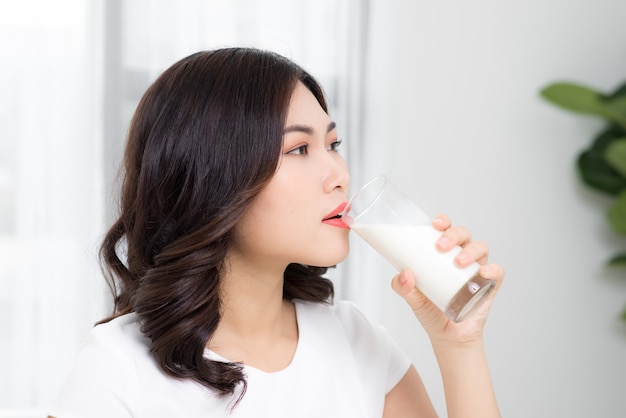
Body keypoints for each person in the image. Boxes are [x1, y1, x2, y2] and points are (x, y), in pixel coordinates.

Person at [48, 47, 504, 418]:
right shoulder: (119, 368)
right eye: (300, 148)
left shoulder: (356, 340)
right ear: (215, 178)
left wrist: (458, 343)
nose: (339, 174)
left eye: (333, 144)